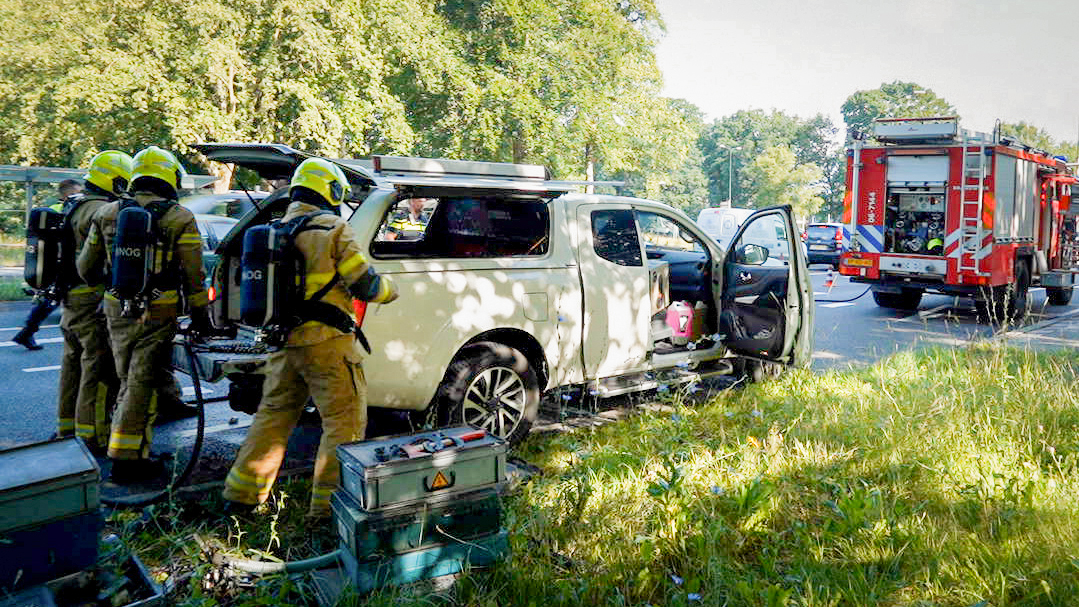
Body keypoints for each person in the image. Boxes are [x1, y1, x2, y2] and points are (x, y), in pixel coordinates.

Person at [223, 158, 398, 519]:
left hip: (283, 343)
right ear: (330, 191)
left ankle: (240, 497)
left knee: (273, 417)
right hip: (327, 343)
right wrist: (391, 290)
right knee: (343, 423)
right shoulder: (332, 228)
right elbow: (365, 285)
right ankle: (328, 508)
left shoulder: (276, 229)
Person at [77, 146, 210, 484]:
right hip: (158, 310)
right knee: (141, 383)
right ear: (170, 177)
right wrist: (201, 315)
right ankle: (127, 461)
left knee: (127, 379)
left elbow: (85, 268)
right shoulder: (179, 217)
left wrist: (112, 285)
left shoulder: (107, 212)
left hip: (115, 308)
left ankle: (127, 450)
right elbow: (194, 275)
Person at [56, 152, 130, 450]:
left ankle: (66, 428)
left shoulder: (73, 204)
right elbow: (111, 261)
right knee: (97, 367)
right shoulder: (104, 210)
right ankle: (93, 435)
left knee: (71, 364)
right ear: (115, 180)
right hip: (92, 298)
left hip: (70, 298)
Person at [13, 179, 83, 350]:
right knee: (56, 300)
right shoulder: (67, 210)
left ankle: (26, 333)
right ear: (69, 193)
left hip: (55, 263)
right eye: (77, 192)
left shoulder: (53, 209)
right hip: (64, 263)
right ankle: (27, 333)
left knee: (51, 299)